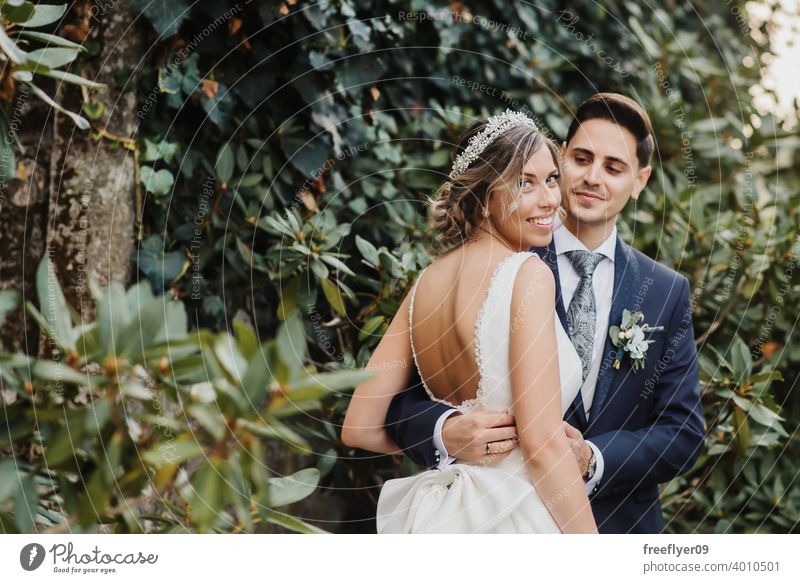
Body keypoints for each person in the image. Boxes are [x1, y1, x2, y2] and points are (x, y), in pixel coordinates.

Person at [383, 93, 706, 534]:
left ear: (640, 179)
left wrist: (594, 459)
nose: (592, 178)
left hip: (620, 526)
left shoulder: (666, 292)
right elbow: (401, 398)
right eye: (581, 158)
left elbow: (683, 431)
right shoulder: (506, 261)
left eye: (613, 168)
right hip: (497, 516)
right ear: (560, 157)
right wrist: (444, 431)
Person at [342, 110, 598, 533]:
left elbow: (360, 427)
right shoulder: (528, 274)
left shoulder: (424, 284)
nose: (550, 199)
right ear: (482, 196)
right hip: (515, 518)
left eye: (552, 179)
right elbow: (543, 445)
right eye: (524, 183)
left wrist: (446, 440)